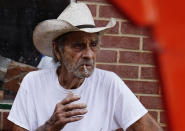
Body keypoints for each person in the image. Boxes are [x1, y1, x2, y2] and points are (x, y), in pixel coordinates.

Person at [8, 2, 163, 131]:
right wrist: (50, 126)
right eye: (78, 46)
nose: (89, 54)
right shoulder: (33, 83)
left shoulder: (109, 83)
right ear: (57, 50)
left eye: (93, 45)